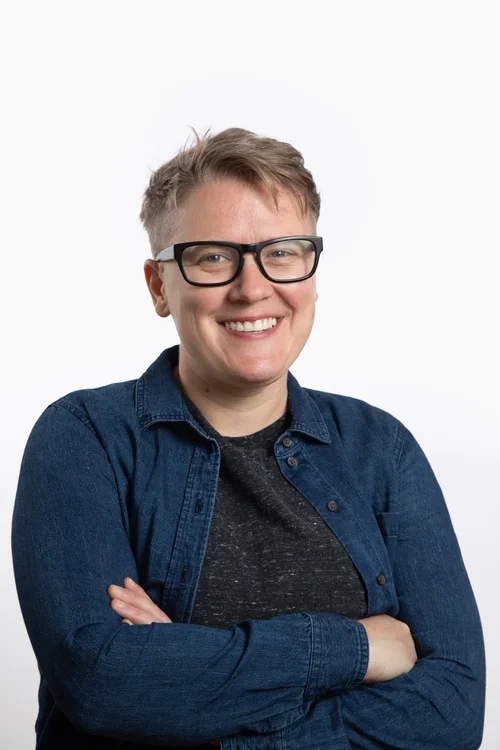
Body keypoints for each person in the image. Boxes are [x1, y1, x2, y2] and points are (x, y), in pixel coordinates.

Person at [11, 127, 485, 749]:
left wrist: (187, 680)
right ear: (159, 286)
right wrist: (358, 647)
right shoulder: (86, 438)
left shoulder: (381, 450)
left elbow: (452, 712)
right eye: (213, 257)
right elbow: (102, 684)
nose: (253, 288)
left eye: (282, 252)